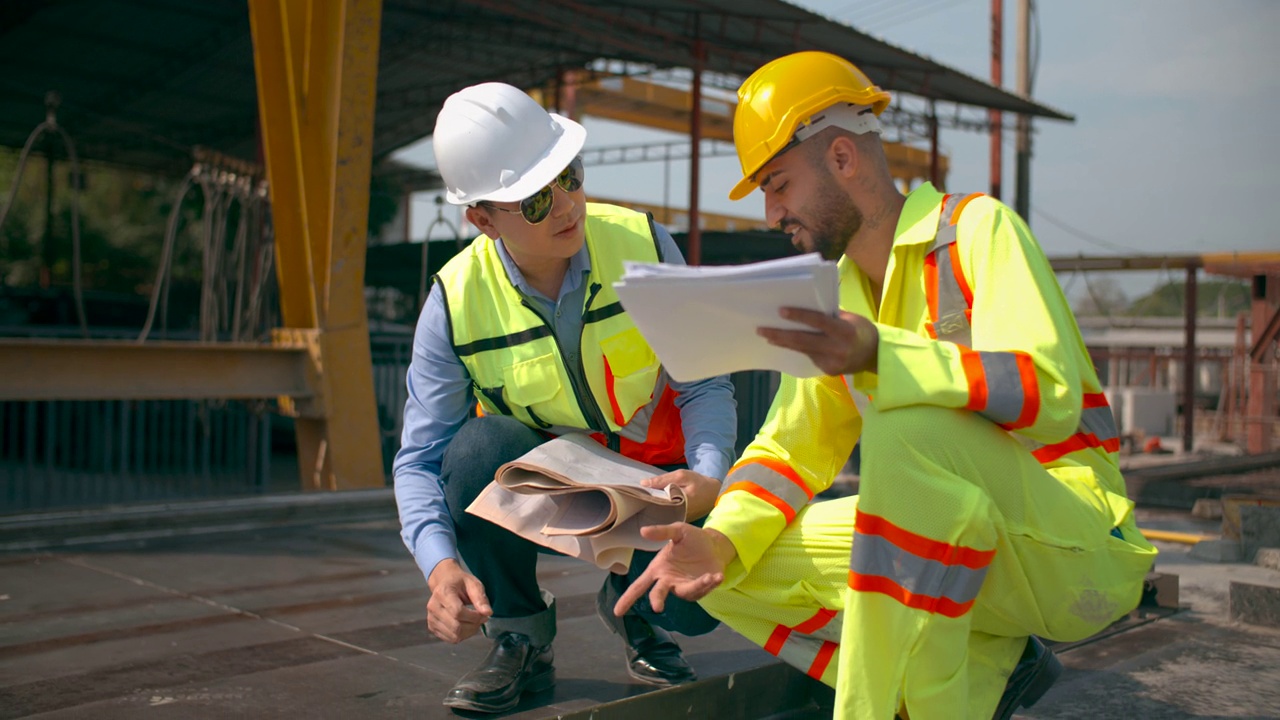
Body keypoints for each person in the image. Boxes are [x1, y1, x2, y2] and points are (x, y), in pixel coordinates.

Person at [615, 51, 1158, 720]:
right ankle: (976, 676)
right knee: (721, 570)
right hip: (969, 557)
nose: (770, 211)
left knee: (908, 430)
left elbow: (1050, 393)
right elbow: (790, 452)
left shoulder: (978, 232)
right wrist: (720, 536)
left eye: (779, 183)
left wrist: (881, 352)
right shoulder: (839, 295)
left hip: (1074, 552)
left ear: (842, 158)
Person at [392, 81, 738, 714]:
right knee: (475, 451)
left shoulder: (643, 244)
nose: (566, 206)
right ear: (481, 219)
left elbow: (705, 381)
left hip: (656, 483)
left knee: (700, 605)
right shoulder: (455, 298)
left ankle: (637, 613)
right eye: (533, 200)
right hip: (552, 488)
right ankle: (519, 632)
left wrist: (709, 480)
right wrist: (440, 567)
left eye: (569, 176)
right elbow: (420, 459)